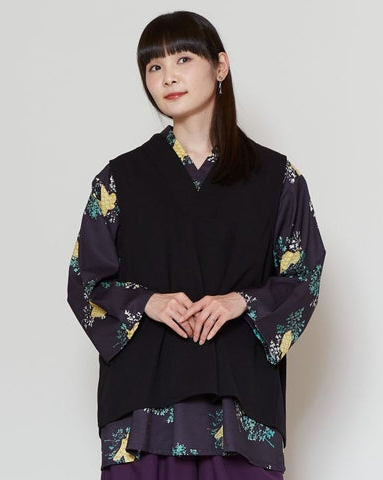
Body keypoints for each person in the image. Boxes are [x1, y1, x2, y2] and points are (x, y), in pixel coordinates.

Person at [67, 10, 326, 480]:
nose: (168, 77)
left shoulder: (277, 178)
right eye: (155, 66)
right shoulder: (119, 179)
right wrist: (145, 302)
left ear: (220, 66)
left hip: (241, 407)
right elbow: (85, 280)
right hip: (142, 411)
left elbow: (302, 276)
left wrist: (240, 301)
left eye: (183, 59)